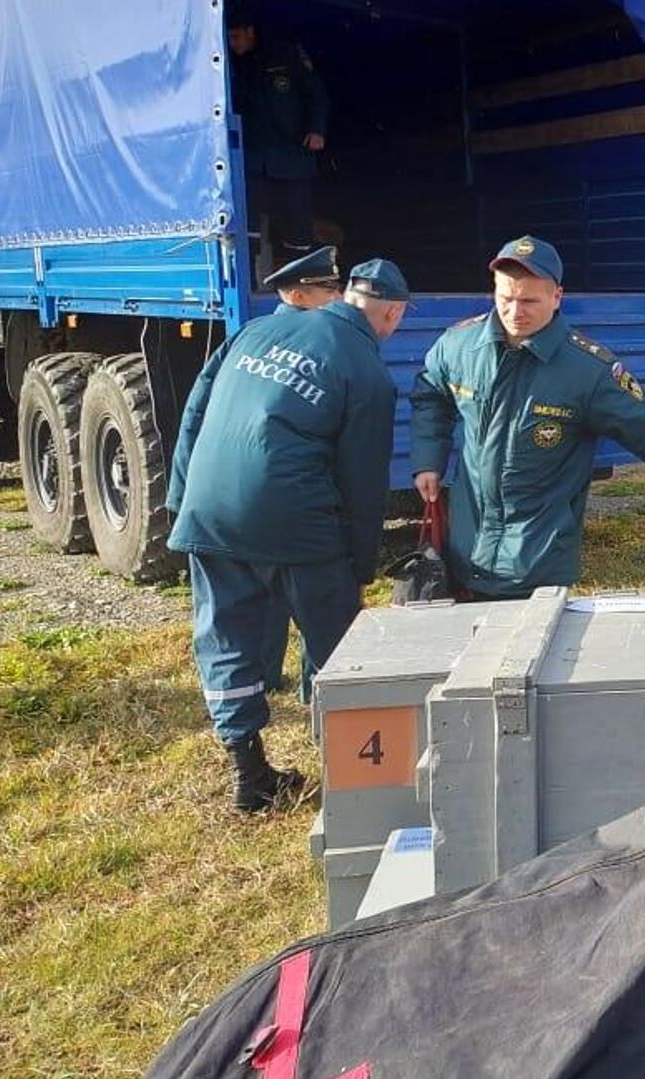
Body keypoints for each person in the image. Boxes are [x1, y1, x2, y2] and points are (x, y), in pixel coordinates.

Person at [167, 261, 408, 812]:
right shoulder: (367, 373)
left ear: (344, 296)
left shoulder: (255, 330)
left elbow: (195, 414)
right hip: (295, 523)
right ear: (392, 314)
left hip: (209, 511)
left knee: (225, 635)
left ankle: (249, 777)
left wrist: (182, 500)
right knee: (336, 643)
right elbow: (362, 481)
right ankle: (352, 777)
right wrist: (360, 567)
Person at [409, 236, 645, 600]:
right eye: (506, 298)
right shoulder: (460, 346)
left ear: (557, 298)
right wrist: (428, 458)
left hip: (536, 566)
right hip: (464, 551)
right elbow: (431, 393)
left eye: (529, 301)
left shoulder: (588, 371)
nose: (515, 311)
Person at [259, 244, 344, 696]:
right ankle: (278, 680)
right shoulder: (263, 340)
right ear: (296, 295)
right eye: (327, 288)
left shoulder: (320, 341)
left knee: (292, 592)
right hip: (277, 492)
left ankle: (295, 684)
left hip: (287, 491)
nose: (338, 296)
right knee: (295, 595)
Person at [227, 4, 330, 262]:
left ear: (250, 32)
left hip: (291, 152)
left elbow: (315, 94)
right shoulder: (229, 66)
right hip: (252, 159)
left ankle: (300, 282)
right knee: (246, 223)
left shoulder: (285, 55)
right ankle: (248, 279)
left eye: (236, 36)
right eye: (228, 38)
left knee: (297, 223)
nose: (232, 43)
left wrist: (317, 129)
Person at [265, 245, 341, 313]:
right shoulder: (319, 327)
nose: (340, 297)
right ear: (298, 297)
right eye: (329, 291)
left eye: (339, 290)